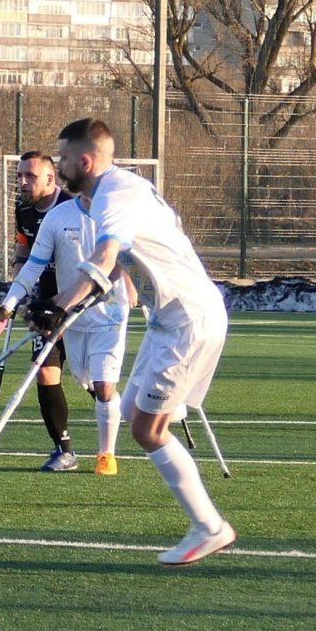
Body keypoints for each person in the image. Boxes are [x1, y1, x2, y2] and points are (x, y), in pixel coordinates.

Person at [45, 117, 235, 565]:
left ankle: (210, 527)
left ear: (85, 160)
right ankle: (206, 521)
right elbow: (114, 269)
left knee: (146, 429)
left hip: (189, 318)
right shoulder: (107, 195)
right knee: (133, 413)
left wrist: (59, 306)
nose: (59, 166)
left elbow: (107, 254)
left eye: (63, 158)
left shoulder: (115, 195)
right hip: (168, 319)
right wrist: (63, 305)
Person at [0, 150, 130, 474]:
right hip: (55, 311)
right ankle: (68, 448)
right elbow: (29, 263)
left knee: (104, 385)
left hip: (107, 313)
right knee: (80, 379)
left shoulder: (113, 216)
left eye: (30, 176)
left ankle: (106, 456)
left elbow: (120, 263)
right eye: (20, 176)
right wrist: (8, 306)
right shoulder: (48, 216)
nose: (22, 182)